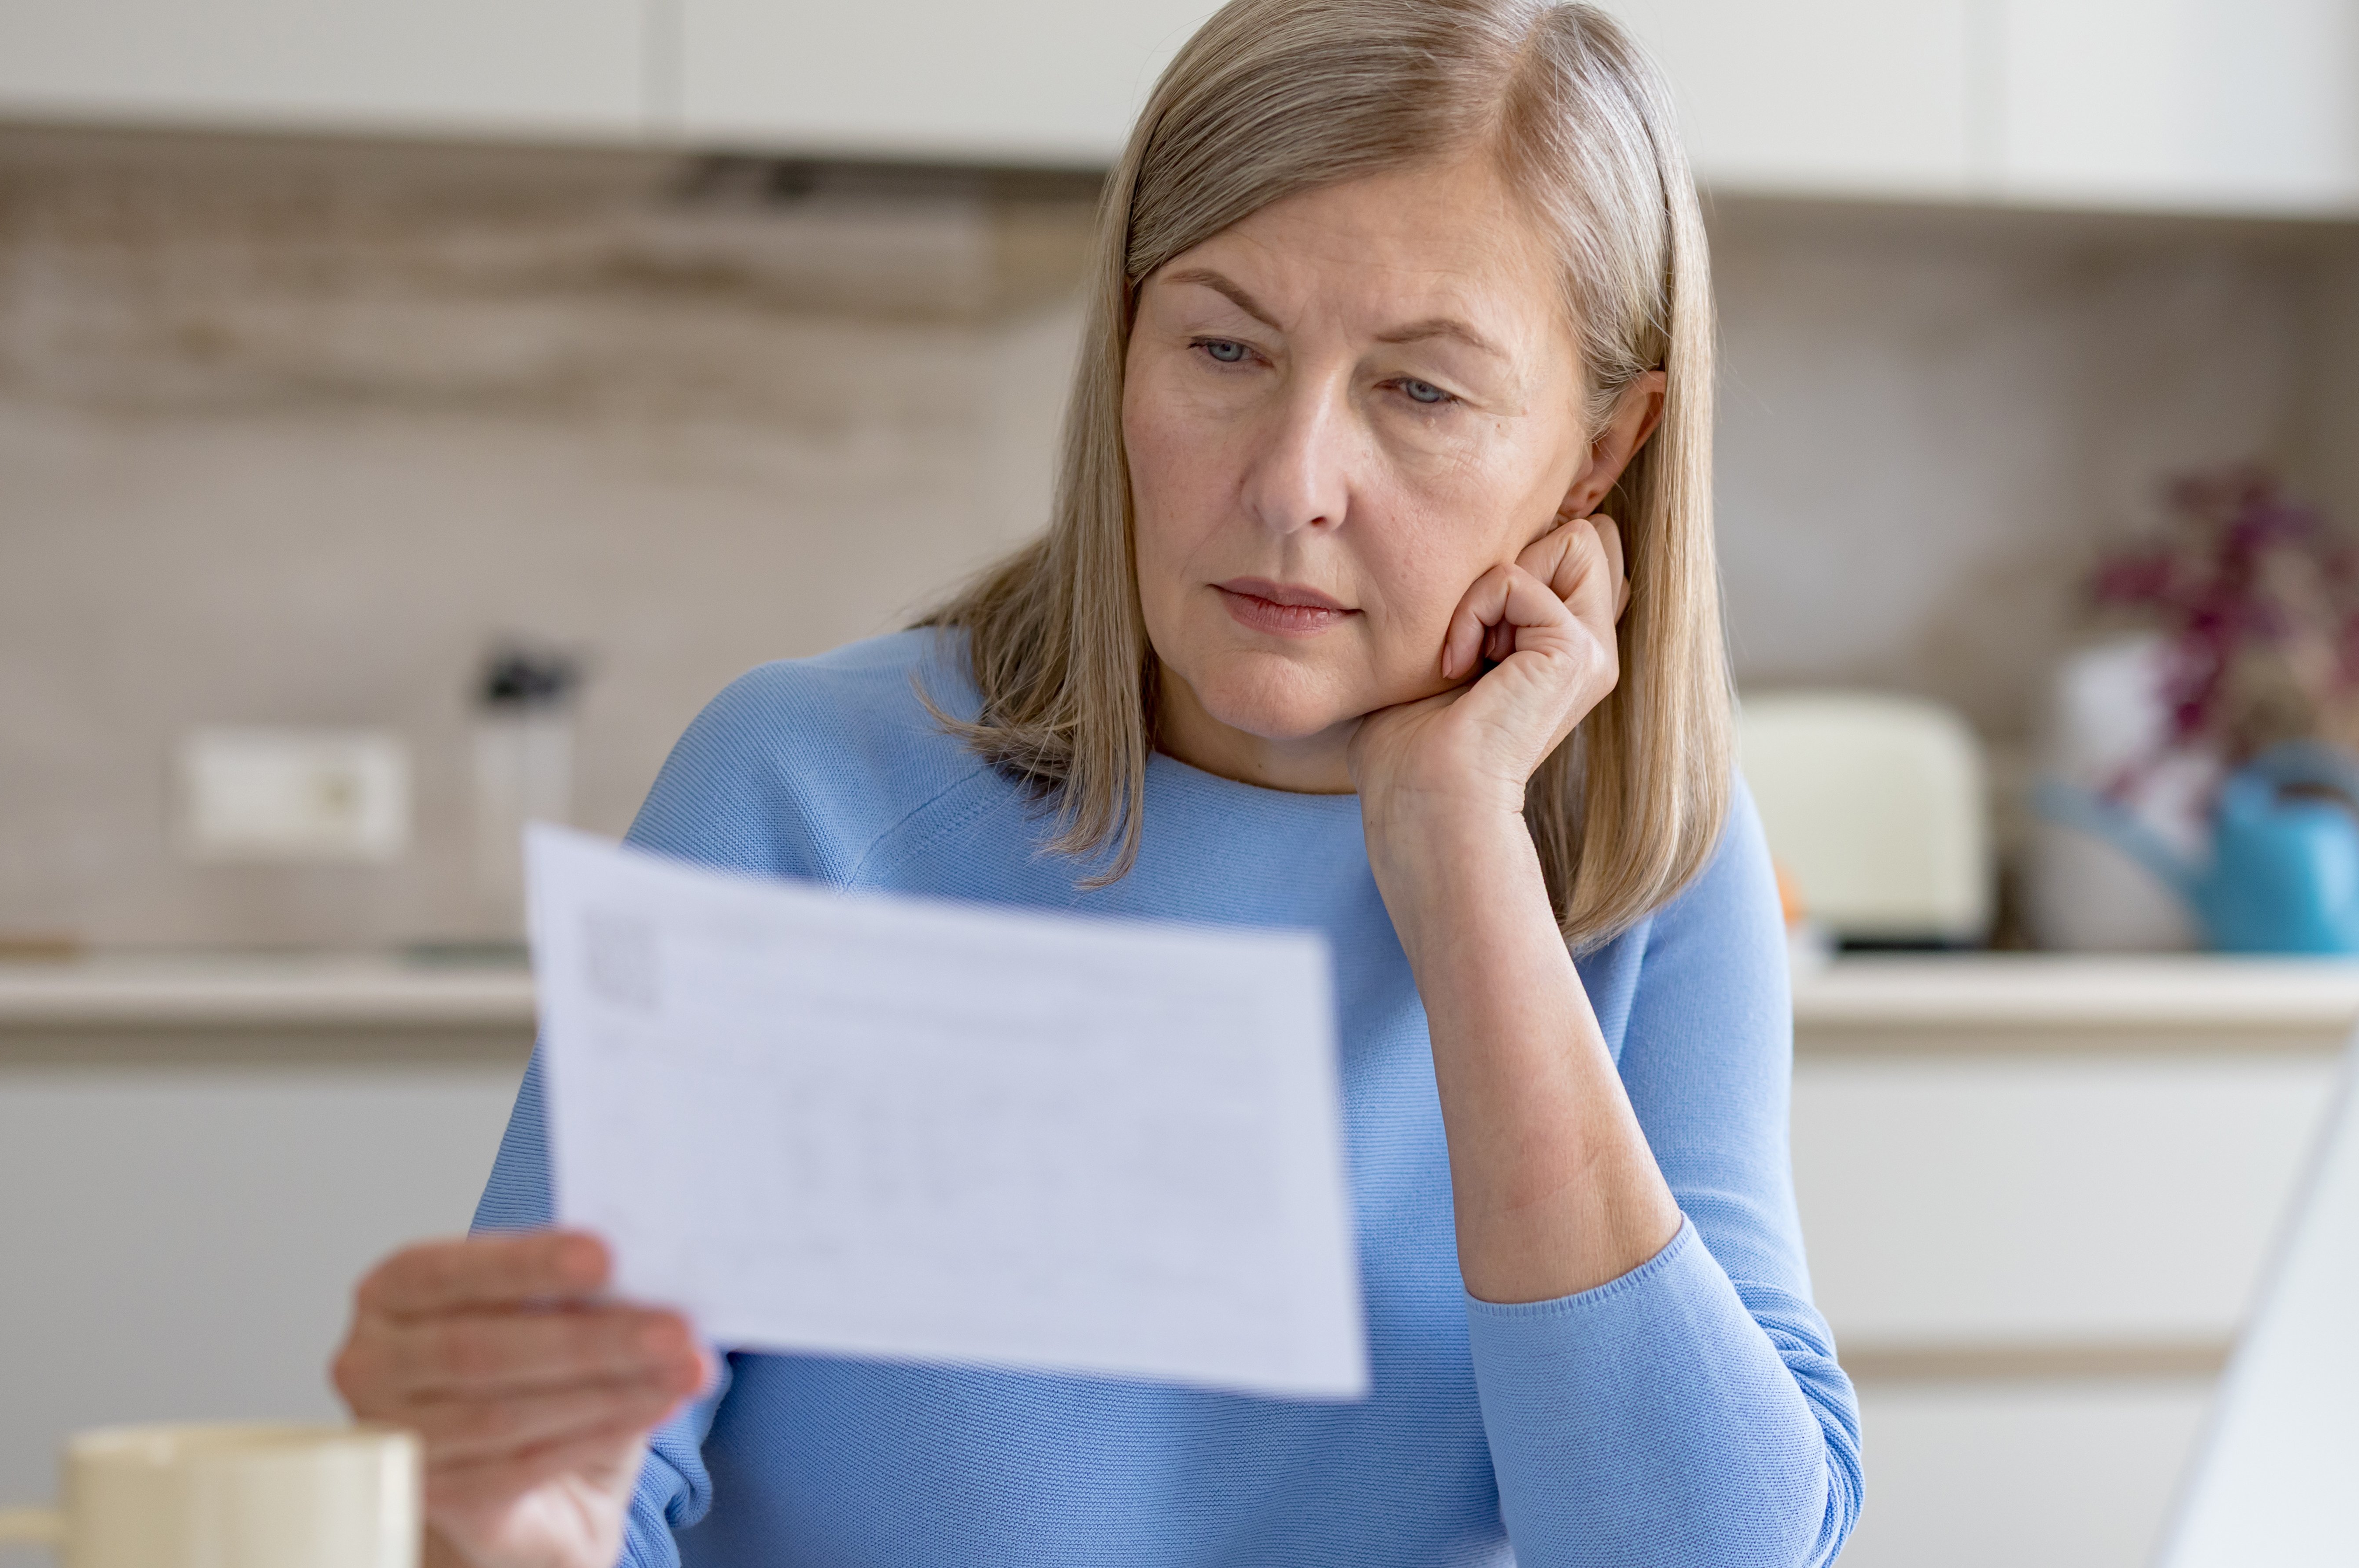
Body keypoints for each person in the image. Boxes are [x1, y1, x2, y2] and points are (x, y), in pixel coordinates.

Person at [326, 0, 1860, 1561]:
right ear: (1123, 346)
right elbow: (560, 1498)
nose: (1290, 485)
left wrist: (1464, 863)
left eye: (1421, 392)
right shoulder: (807, 795)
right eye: (1223, 347)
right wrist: (487, 1516)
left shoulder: (1644, 859)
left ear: (1604, 450)